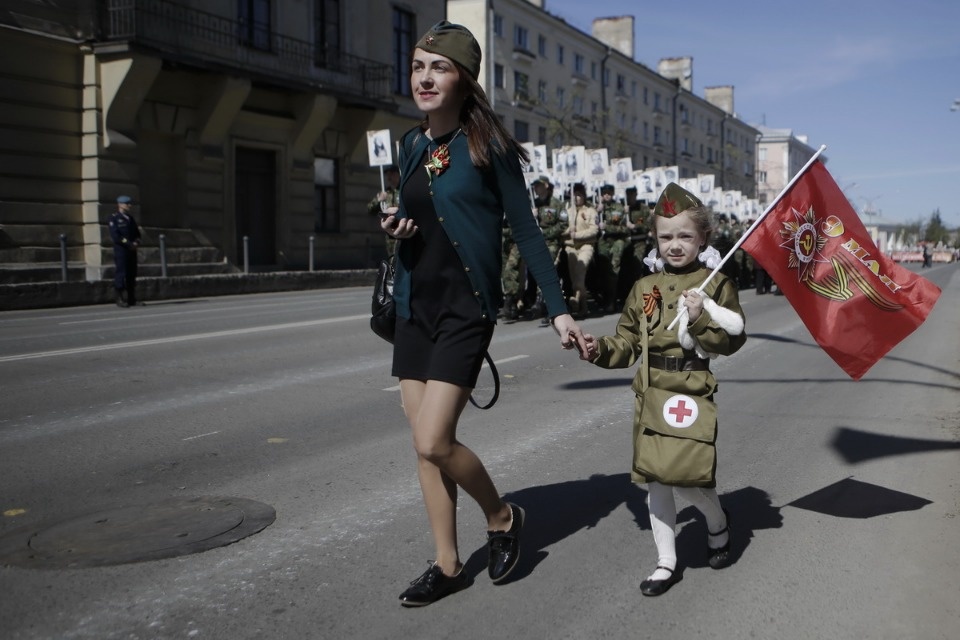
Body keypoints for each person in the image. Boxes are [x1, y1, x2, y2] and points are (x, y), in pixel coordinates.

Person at [379, 21, 590, 607]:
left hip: (464, 308)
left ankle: (501, 517)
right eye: (419, 65)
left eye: (438, 67)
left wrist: (558, 310)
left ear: (464, 80)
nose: (424, 76)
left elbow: (524, 227)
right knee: (423, 447)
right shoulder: (412, 143)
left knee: (434, 439)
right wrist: (398, 225)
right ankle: (448, 565)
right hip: (413, 305)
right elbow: (417, 211)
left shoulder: (486, 148)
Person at [579, 183, 747, 597]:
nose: (675, 245)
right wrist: (596, 348)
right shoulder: (643, 287)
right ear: (655, 239)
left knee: (688, 480)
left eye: (685, 236)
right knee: (657, 478)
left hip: (691, 390)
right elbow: (627, 343)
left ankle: (718, 522)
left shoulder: (716, 282)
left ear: (703, 237)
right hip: (653, 390)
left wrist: (701, 316)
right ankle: (665, 562)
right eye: (666, 236)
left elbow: (731, 340)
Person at [563, 183, 599, 317]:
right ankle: (583, 307)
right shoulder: (567, 209)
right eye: (575, 195)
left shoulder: (590, 210)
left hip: (586, 245)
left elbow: (594, 230)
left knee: (580, 270)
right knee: (575, 278)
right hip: (570, 247)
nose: (577, 198)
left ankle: (577, 299)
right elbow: (561, 226)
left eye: (579, 195)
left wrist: (577, 235)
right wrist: (568, 232)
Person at [596, 184, 631, 313]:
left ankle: (612, 300)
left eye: (609, 193)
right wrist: (597, 212)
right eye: (604, 193)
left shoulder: (619, 207)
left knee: (614, 269)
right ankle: (604, 299)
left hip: (617, 241)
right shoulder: (596, 207)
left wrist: (608, 227)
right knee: (603, 270)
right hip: (603, 242)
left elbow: (625, 228)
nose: (607, 195)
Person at [108, 195, 142, 307]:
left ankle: (132, 298)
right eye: (127, 204)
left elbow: (137, 234)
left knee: (131, 274)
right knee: (121, 273)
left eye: (129, 203)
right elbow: (116, 236)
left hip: (132, 250)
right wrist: (129, 243)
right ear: (120, 205)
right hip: (121, 250)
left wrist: (136, 242)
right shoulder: (114, 219)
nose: (129, 205)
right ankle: (120, 298)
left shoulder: (130, 219)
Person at [367, 165, 401, 258]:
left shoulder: (403, 190)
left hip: (402, 229)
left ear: (398, 174)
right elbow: (370, 209)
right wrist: (379, 200)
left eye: (392, 174)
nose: (389, 177)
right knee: (392, 258)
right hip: (390, 233)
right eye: (387, 175)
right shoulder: (385, 192)